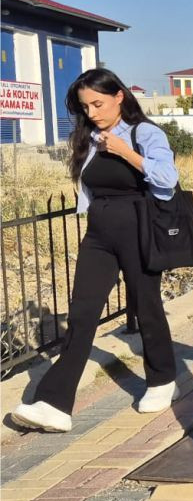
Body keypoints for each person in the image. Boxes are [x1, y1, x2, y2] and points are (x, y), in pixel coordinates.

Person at [9, 69, 180, 433]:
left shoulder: (144, 133)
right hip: (100, 233)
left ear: (120, 96)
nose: (93, 112)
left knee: (146, 305)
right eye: (86, 107)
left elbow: (168, 179)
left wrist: (124, 151)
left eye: (98, 103)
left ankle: (163, 380)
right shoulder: (89, 136)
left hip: (139, 228)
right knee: (83, 313)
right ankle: (54, 403)